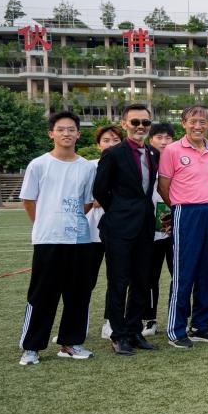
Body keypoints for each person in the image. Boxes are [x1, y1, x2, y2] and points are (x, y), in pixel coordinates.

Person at [17, 111, 97, 366]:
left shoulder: (87, 167)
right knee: (42, 295)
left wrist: (71, 220)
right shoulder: (39, 164)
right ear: (51, 133)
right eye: (61, 129)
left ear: (78, 134)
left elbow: (88, 203)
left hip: (80, 240)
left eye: (71, 129)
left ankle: (70, 343)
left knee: (78, 294)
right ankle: (32, 347)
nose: (66, 133)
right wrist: (44, 222)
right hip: (48, 239)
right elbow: (29, 200)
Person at [157, 104, 208, 349]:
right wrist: (179, 207)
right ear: (183, 123)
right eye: (193, 121)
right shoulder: (173, 150)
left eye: (203, 122)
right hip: (186, 213)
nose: (198, 126)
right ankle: (176, 329)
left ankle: (201, 326)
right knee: (184, 273)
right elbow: (163, 187)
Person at [92, 105, 159, 355]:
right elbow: (100, 189)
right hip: (119, 227)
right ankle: (118, 334)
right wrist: (119, 211)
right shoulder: (113, 154)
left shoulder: (153, 153)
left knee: (142, 281)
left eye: (145, 122)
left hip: (145, 226)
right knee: (118, 282)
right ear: (124, 124)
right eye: (135, 122)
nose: (140, 126)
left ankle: (134, 331)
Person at [87, 124, 122, 340]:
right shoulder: (88, 166)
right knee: (85, 280)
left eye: (115, 140)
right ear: (98, 144)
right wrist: (95, 199)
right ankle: (77, 325)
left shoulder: (126, 165)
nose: (110, 144)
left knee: (115, 279)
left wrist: (105, 198)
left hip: (117, 229)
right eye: (106, 140)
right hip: (90, 231)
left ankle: (110, 323)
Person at [143, 122, 174, 336]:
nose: (163, 142)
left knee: (178, 275)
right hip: (149, 228)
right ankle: (149, 319)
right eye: (159, 137)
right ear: (151, 139)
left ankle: (179, 316)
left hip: (174, 226)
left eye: (168, 138)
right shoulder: (145, 161)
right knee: (149, 275)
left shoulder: (176, 160)